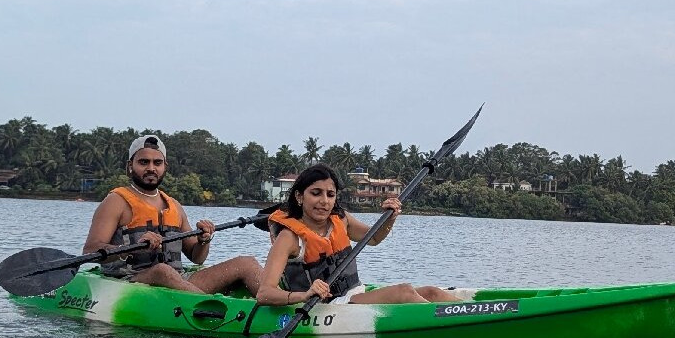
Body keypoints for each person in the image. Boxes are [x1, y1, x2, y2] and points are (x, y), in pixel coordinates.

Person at [83, 134, 262, 295]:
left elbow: (197, 258)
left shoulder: (174, 206)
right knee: (161, 271)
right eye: (143, 162)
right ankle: (209, 307)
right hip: (130, 282)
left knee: (246, 262)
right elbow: (90, 249)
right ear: (130, 166)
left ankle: (282, 308)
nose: (151, 168)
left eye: (157, 163)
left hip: (178, 281)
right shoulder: (116, 201)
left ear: (165, 167)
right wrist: (134, 248)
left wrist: (204, 240)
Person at [256, 164, 457, 306]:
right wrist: (305, 295)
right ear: (299, 196)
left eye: (330, 194)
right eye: (315, 193)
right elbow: (264, 294)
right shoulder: (289, 238)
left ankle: (479, 315)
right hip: (325, 306)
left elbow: (375, 238)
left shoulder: (341, 219)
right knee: (403, 291)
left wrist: (390, 218)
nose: (324, 201)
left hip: (354, 293)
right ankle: (450, 326)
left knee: (432, 292)